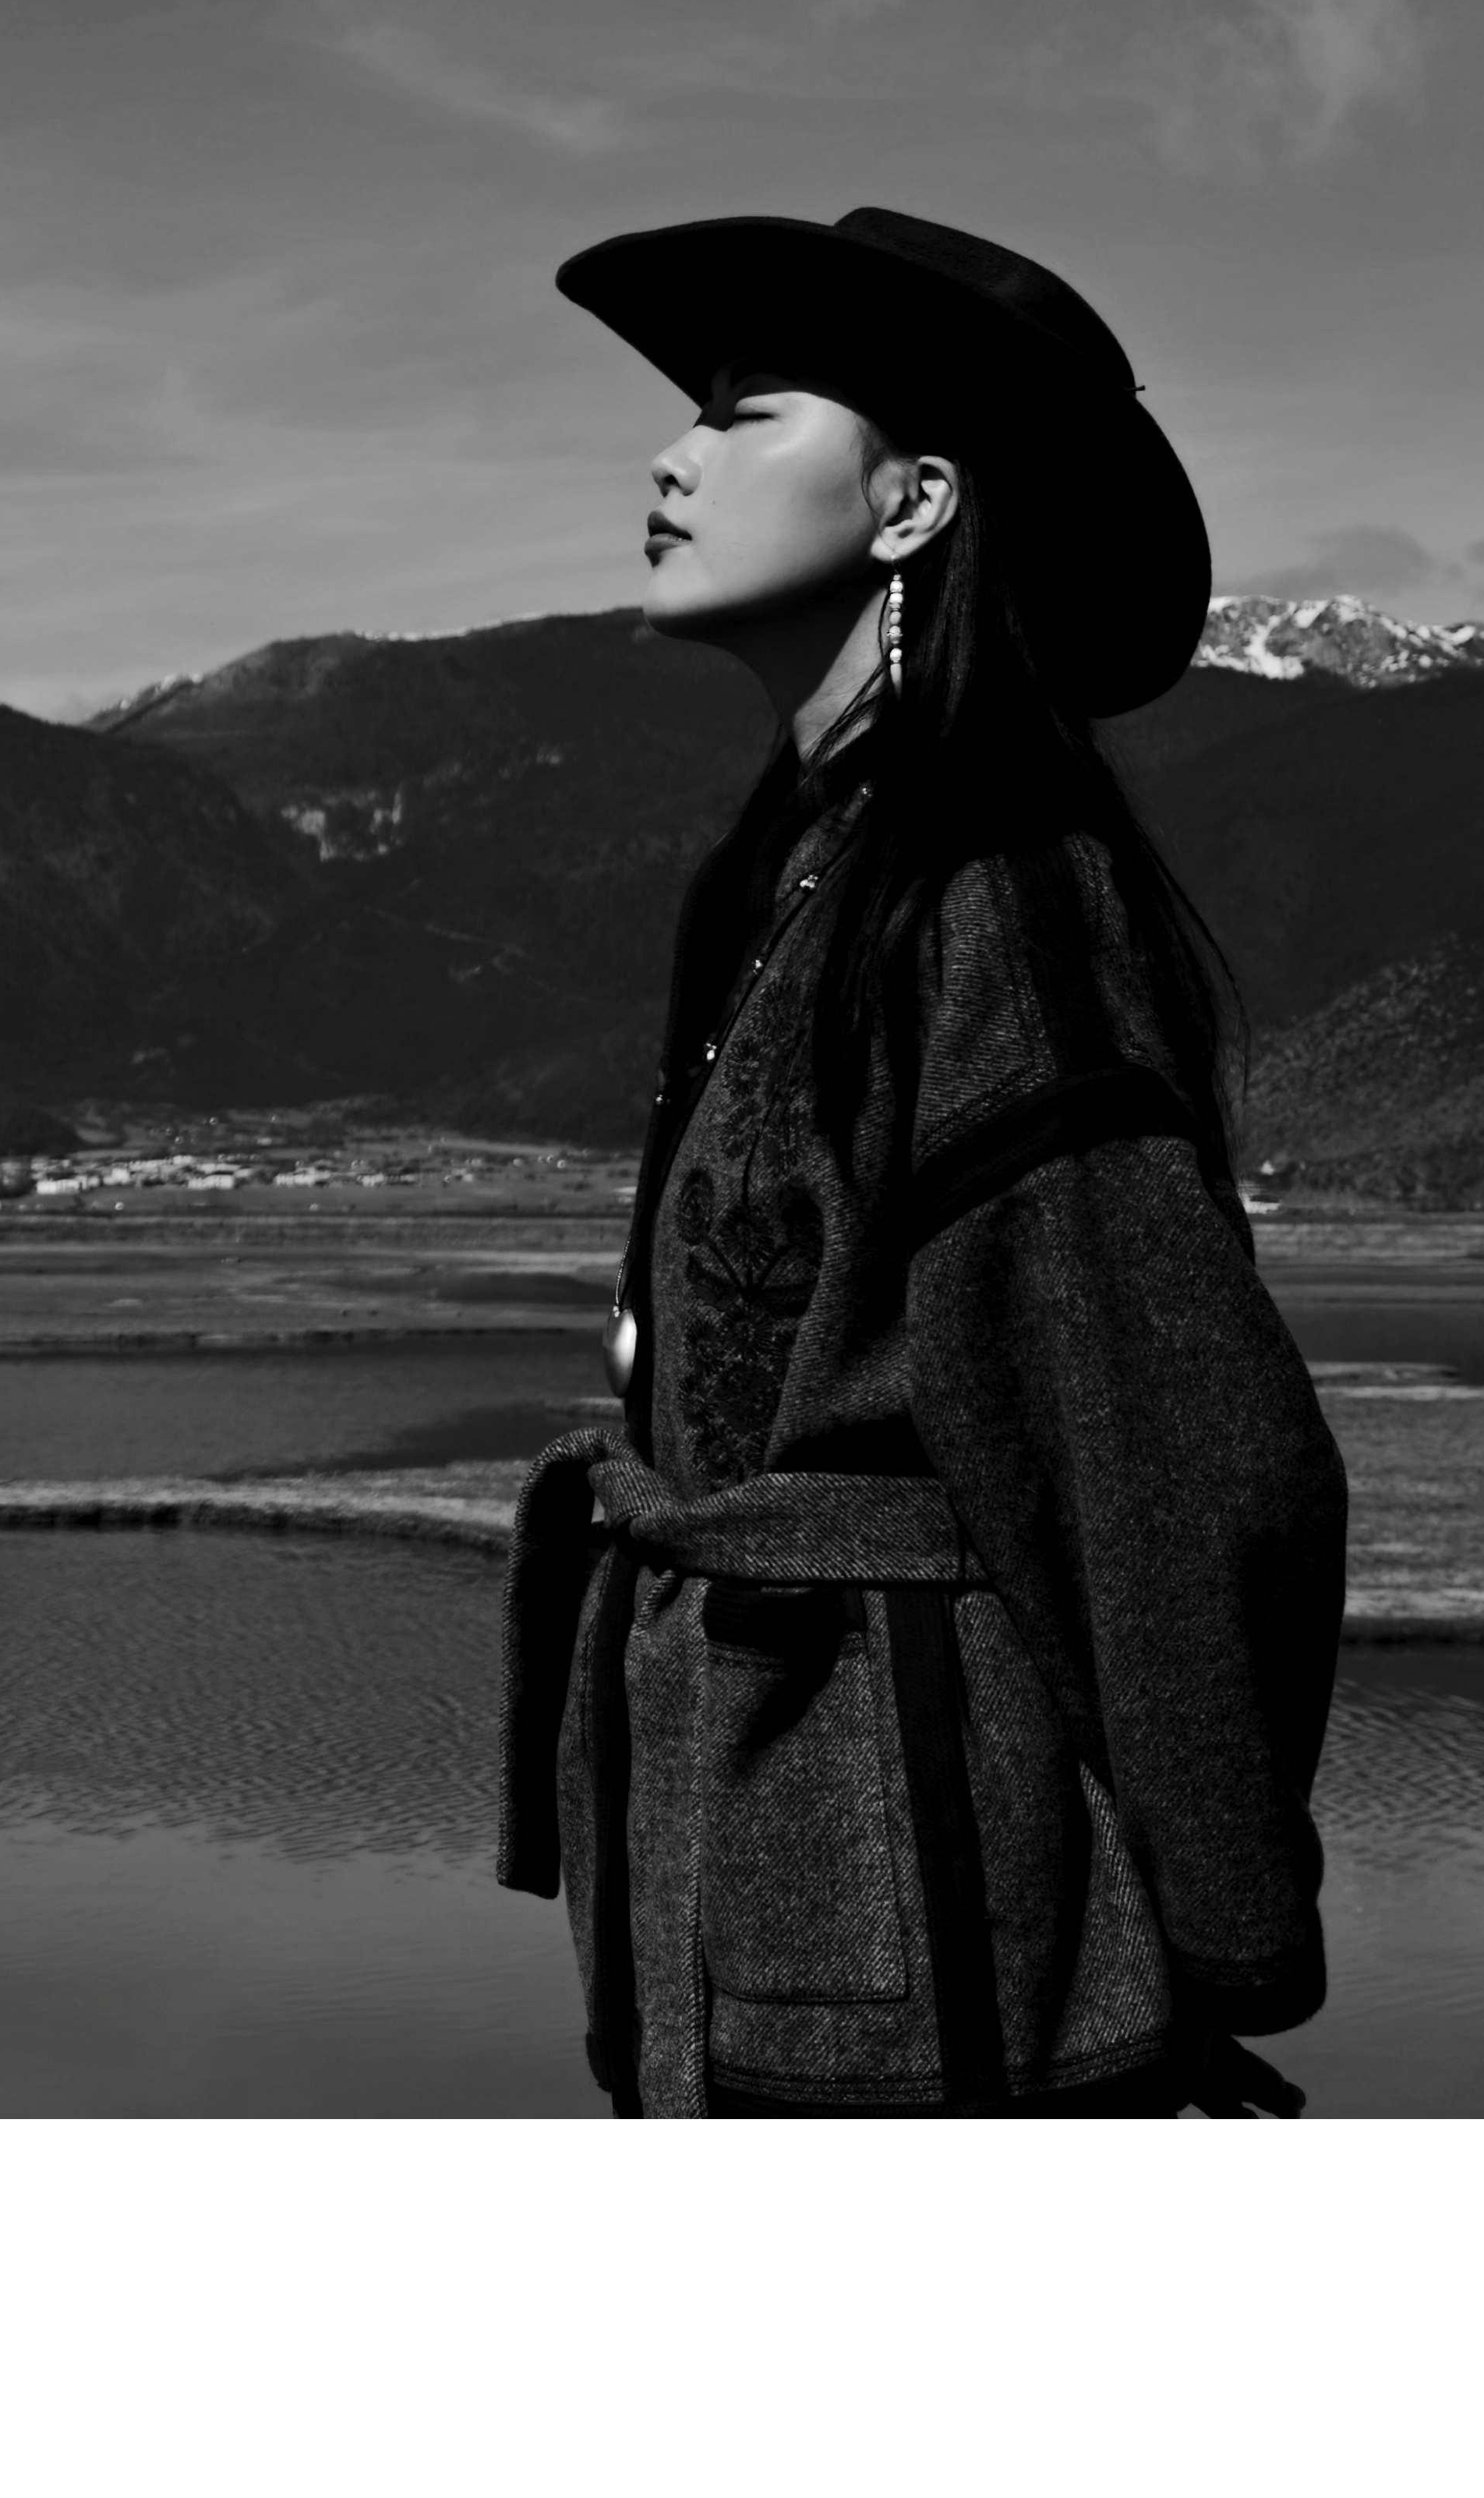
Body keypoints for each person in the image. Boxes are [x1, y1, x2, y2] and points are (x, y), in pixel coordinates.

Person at [496, 207, 1349, 2116]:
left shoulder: (1002, 898)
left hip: (941, 1935)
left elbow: (1173, 1444)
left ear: (912, 501)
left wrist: (1215, 1935)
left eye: (746, 412)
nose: (672, 455)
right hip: (765, 1872)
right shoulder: (800, 879)